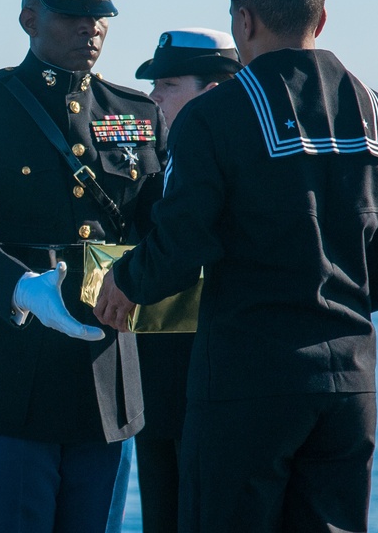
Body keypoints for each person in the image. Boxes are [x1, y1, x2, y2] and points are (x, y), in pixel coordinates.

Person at [95, 0, 378, 532]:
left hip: (244, 382)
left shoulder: (215, 118)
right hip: (351, 383)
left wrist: (124, 282)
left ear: (245, 21)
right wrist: (328, 295)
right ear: (320, 19)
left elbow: (180, 246)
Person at [0, 0, 169, 533]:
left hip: (106, 373)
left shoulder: (135, 113)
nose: (91, 28)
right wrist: (22, 289)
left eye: (100, 15)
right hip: (9, 369)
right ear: (29, 18)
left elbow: (157, 232)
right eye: (70, 14)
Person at [132, 28, 241, 533]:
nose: (153, 97)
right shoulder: (161, 155)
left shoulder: (234, 162)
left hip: (213, 377)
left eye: (169, 84)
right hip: (157, 379)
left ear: (212, 92)